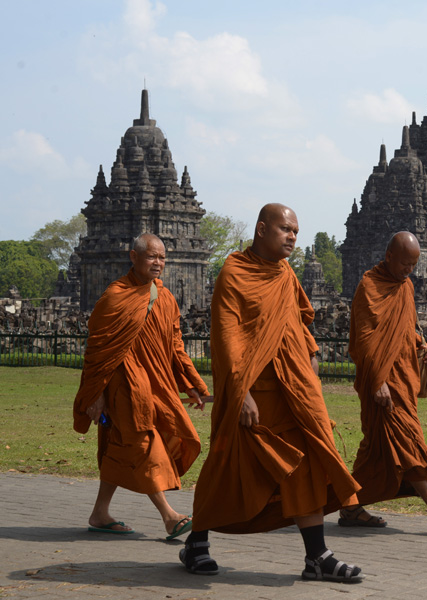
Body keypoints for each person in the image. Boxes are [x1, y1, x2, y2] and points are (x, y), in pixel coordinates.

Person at [182, 203, 364, 582]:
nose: (292, 237)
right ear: (262, 229)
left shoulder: (284, 274)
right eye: (285, 229)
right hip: (255, 392)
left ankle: (317, 556)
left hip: (293, 390)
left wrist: (311, 351)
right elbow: (228, 338)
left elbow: (298, 318)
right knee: (229, 467)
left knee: (308, 462)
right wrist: (241, 390)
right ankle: (196, 541)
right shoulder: (234, 273)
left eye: (296, 231)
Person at [73, 233, 209, 540]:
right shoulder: (115, 296)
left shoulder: (165, 297)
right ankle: (170, 516)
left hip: (156, 384)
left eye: (162, 257)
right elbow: (97, 351)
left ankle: (100, 513)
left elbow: (176, 346)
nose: (158, 263)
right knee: (141, 442)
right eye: (152, 257)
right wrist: (94, 395)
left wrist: (193, 384)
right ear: (133, 257)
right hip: (125, 385)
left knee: (122, 446)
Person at [342, 231, 427, 532]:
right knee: (406, 439)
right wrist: (376, 381)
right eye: (404, 264)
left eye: (413, 265)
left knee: (376, 447)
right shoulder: (369, 287)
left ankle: (349, 506)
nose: (408, 271)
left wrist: (422, 347)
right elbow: (365, 340)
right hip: (382, 382)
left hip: (403, 377)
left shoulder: (406, 287)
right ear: (388, 257)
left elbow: (404, 330)